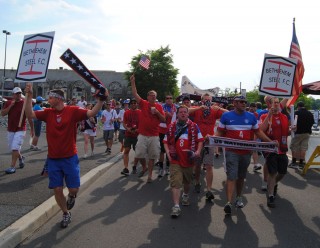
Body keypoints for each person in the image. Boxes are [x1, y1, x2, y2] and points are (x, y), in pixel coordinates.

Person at [24, 83, 107, 228]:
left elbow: (91, 113)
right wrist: (29, 96)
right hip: (53, 158)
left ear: (59, 99)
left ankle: (72, 196)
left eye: (51, 97)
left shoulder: (73, 111)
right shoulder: (47, 113)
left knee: (73, 189)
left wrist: (101, 100)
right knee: (57, 188)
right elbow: (29, 114)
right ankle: (65, 212)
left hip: (69, 157)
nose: (48, 100)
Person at [215, 95, 274, 215]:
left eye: (245, 102)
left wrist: (270, 142)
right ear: (235, 103)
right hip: (231, 152)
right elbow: (220, 132)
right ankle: (229, 203)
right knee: (231, 176)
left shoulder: (251, 117)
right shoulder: (226, 116)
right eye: (241, 102)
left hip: (246, 153)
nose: (244, 104)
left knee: (241, 177)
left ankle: (238, 197)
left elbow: (258, 132)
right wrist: (212, 139)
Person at [164, 105, 204, 217]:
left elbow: (200, 140)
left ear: (188, 114)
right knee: (176, 182)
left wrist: (198, 151)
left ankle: (185, 195)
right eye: (180, 112)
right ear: (177, 114)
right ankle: (176, 206)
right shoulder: (171, 126)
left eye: (184, 112)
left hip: (188, 160)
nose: (182, 113)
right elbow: (165, 141)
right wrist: (168, 153)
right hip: (175, 160)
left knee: (187, 182)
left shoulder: (194, 126)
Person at [188, 93, 227, 202]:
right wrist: (199, 107)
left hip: (209, 141)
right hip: (197, 141)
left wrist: (219, 108)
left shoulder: (215, 110)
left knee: (209, 165)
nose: (207, 102)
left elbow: (230, 114)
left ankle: (209, 190)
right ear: (201, 101)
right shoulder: (197, 108)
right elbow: (185, 111)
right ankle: (197, 181)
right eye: (205, 100)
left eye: (209, 100)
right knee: (197, 164)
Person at [130, 75, 165, 183]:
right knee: (139, 154)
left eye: (154, 95)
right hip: (143, 135)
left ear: (156, 97)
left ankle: (149, 175)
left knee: (152, 156)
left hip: (154, 135)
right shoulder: (143, 103)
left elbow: (163, 120)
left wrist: (157, 112)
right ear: (147, 97)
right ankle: (144, 167)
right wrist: (133, 82)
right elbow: (135, 94)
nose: (152, 96)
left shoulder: (159, 106)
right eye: (150, 95)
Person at [259, 97, 290, 208]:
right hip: (270, 149)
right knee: (273, 172)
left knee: (282, 173)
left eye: (277, 102)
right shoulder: (264, 116)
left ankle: (273, 184)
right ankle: (271, 195)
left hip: (282, 149)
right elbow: (261, 130)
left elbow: (286, 132)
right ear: (270, 104)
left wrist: (292, 130)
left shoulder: (284, 117)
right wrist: (269, 115)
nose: (276, 104)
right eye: (274, 103)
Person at [1, 87, 34, 174]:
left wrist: (32, 129)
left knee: (15, 147)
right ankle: (20, 157)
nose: (18, 95)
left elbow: (29, 117)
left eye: (19, 93)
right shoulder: (8, 102)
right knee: (13, 148)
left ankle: (12, 167)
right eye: (17, 93)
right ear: (13, 95)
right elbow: (2, 114)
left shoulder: (24, 103)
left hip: (20, 129)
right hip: (11, 129)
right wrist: (11, 106)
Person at [289, 101, 314, 169]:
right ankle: (301, 163)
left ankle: (294, 162)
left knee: (294, 147)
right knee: (303, 148)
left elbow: (293, 123)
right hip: (307, 133)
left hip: (298, 133)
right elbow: (312, 123)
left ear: (298, 107)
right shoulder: (310, 113)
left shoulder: (296, 113)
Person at [157, 94, 177, 177]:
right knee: (162, 150)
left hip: (172, 132)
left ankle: (168, 167)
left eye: (170, 98)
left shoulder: (176, 107)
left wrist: (171, 115)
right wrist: (165, 115)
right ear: (165, 100)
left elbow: (179, 117)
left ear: (173, 99)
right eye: (167, 98)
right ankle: (161, 168)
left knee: (170, 150)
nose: (169, 99)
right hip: (162, 131)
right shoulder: (161, 107)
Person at [121, 98, 141, 176]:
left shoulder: (140, 112)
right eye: (132, 103)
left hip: (137, 135)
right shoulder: (126, 113)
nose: (133, 104)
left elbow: (142, 123)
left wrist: (138, 130)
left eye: (135, 103)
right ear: (130, 104)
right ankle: (126, 168)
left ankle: (135, 166)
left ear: (137, 104)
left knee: (137, 152)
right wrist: (127, 128)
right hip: (128, 135)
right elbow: (124, 123)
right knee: (126, 150)